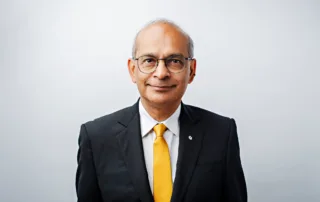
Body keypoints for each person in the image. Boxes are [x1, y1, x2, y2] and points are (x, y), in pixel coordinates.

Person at [76, 19, 247, 202]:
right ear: (133, 70)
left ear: (191, 70)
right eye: (149, 61)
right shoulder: (96, 137)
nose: (161, 73)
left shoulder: (221, 133)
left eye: (174, 61)